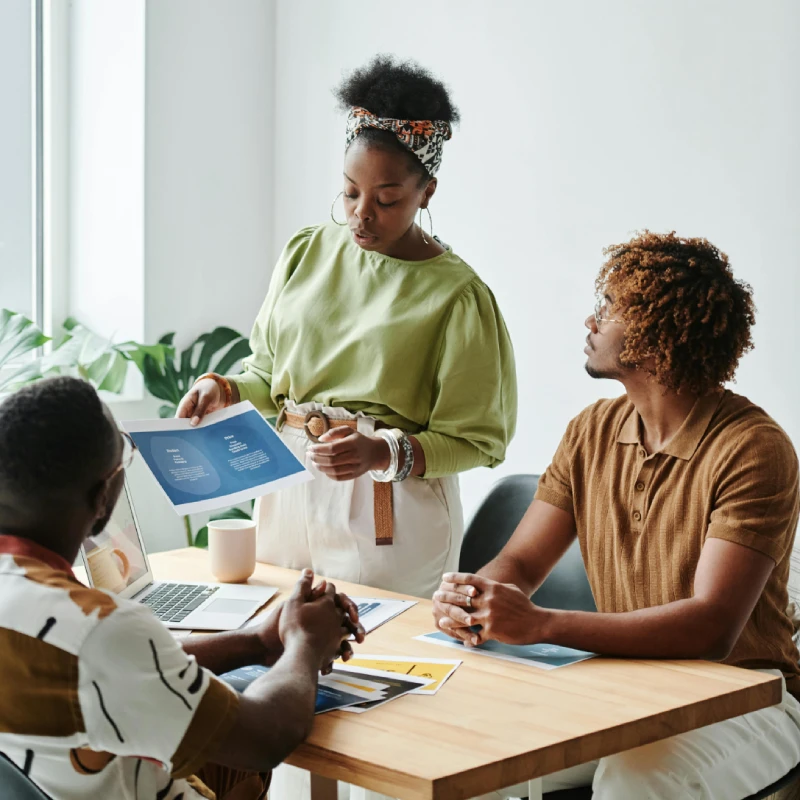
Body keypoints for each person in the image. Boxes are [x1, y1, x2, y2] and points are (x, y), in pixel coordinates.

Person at [433, 231, 800, 799]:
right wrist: (474, 599)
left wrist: (540, 625)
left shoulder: (753, 449)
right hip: (628, 682)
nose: (590, 321)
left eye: (608, 308)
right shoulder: (592, 430)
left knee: (638, 779)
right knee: (476, 756)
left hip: (751, 694)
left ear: (657, 336)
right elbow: (522, 560)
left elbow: (712, 629)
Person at [176, 54, 517, 601]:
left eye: (386, 199)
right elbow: (268, 375)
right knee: (276, 646)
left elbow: (476, 439)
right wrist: (224, 389)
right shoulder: (306, 252)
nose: (361, 214)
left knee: (386, 667)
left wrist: (381, 453)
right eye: (350, 191)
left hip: (390, 509)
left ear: (426, 191)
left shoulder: (458, 296)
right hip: (287, 486)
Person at [0, 376, 364, 800]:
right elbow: (267, 736)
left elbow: (121, 669)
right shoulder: (101, 631)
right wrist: (306, 643)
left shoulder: (72, 631)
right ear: (105, 496)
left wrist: (254, 640)